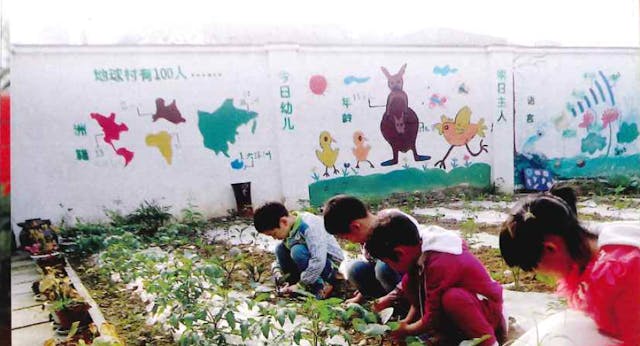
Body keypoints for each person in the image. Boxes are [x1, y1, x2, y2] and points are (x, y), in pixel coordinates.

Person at [499, 185, 640, 345]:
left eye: (535, 267)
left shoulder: (622, 271)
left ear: (551, 247)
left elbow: (634, 336)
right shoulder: (587, 247)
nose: (539, 274)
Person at [366, 212, 505, 346]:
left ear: (400, 253)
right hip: (467, 312)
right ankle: (447, 336)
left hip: (489, 311)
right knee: (408, 282)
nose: (392, 268)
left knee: (453, 298)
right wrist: (407, 322)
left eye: (389, 263)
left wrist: (407, 330)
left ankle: (489, 342)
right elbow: (418, 303)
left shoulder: (440, 262)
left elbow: (433, 315)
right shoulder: (419, 252)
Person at [323, 195, 412, 305]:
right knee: (355, 269)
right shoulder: (366, 236)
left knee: (382, 268)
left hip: (412, 280)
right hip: (391, 282)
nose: (350, 242)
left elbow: (414, 268)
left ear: (355, 227)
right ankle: (382, 302)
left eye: (346, 238)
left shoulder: (394, 224)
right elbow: (370, 262)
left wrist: (391, 297)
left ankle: (406, 304)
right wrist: (361, 295)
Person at [253, 202, 344, 299]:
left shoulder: (309, 226)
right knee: (280, 249)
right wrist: (277, 271)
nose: (274, 238)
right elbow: (279, 260)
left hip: (328, 264)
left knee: (297, 251)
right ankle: (292, 285)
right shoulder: (289, 227)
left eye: (274, 234)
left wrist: (301, 284)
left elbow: (318, 259)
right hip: (310, 263)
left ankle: (321, 287)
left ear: (284, 222)